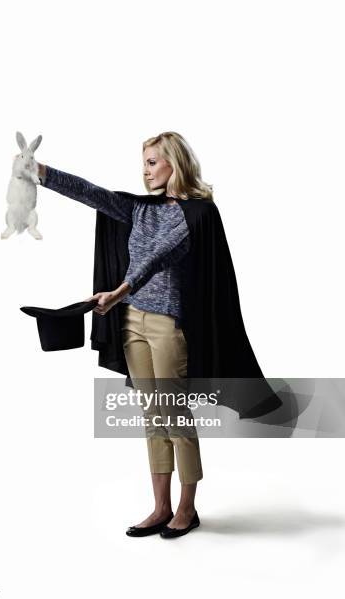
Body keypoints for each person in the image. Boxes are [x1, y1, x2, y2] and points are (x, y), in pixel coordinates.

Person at [36, 131, 280, 539]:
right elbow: (90, 192)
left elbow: (158, 254)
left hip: (169, 326)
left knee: (174, 414)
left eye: (152, 162)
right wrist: (41, 173)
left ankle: (187, 508)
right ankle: (160, 507)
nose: (145, 170)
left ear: (174, 163)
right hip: (132, 322)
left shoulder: (198, 214)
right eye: (144, 162)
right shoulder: (139, 209)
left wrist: (120, 290)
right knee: (153, 418)